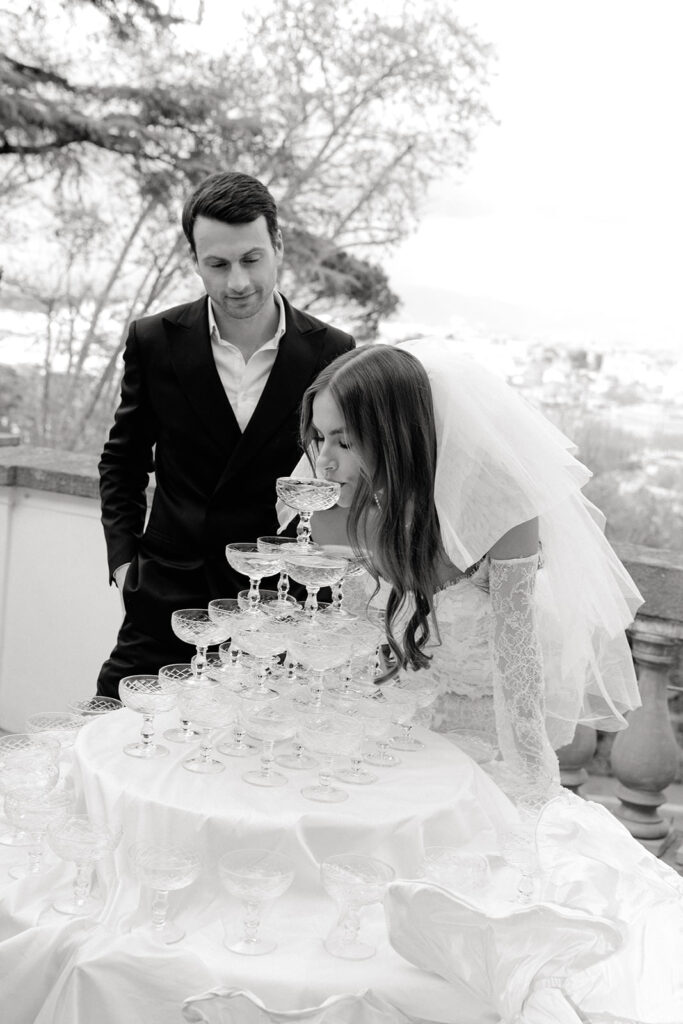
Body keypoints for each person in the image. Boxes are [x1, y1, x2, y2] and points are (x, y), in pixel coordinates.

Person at [290, 340, 683, 1021]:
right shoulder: (337, 502)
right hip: (386, 749)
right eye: (318, 438)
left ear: (393, 432)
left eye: (343, 441)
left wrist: (526, 804)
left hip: (480, 760)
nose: (322, 460)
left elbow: (519, 672)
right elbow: (344, 653)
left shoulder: (501, 508)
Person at [97, 171, 354, 698]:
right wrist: (126, 567)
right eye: (217, 264)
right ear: (195, 260)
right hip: (167, 601)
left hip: (279, 607)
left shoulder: (332, 350)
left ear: (277, 245)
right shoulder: (154, 340)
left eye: (251, 259)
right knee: (110, 729)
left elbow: (341, 473)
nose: (237, 281)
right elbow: (122, 463)